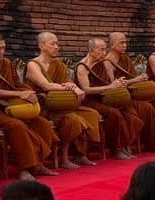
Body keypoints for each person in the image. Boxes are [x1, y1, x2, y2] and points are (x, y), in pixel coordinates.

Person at [0, 33, 60, 179]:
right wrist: (18, 95)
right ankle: (24, 168)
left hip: (13, 106)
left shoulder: (7, 64)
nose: (2, 52)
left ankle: (39, 163)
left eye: (4, 48)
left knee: (41, 123)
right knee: (16, 126)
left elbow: (18, 85)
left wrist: (28, 92)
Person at [26, 31, 101, 169]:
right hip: (43, 107)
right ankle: (64, 158)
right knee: (72, 119)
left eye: (57, 43)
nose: (56, 47)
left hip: (61, 104)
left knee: (91, 114)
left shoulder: (59, 64)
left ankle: (80, 154)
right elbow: (46, 85)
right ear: (41, 46)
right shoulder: (33, 64)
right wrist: (69, 88)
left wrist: (73, 87)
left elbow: (69, 82)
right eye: (52, 44)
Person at [105, 32, 155, 152]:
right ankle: (152, 144)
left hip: (133, 94)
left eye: (125, 42)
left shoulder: (125, 59)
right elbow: (114, 86)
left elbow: (129, 79)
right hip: (120, 98)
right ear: (112, 45)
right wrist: (136, 79)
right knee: (147, 108)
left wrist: (140, 80)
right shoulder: (107, 62)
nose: (125, 45)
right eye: (121, 42)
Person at [75, 36, 142, 161]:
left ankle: (124, 146)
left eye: (105, 50)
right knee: (114, 113)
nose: (104, 53)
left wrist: (118, 83)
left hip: (103, 98)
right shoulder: (82, 66)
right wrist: (111, 87)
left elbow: (108, 83)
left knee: (127, 110)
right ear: (91, 51)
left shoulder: (101, 64)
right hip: (89, 101)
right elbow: (86, 89)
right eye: (100, 50)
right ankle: (115, 148)